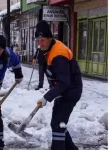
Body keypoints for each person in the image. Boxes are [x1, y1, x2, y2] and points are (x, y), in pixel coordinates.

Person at [35, 20, 82, 150]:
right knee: (56, 123)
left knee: (58, 124)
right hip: (61, 90)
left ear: (50, 38)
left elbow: (64, 82)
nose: (40, 43)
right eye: (38, 40)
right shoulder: (46, 49)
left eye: (42, 40)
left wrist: (47, 97)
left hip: (71, 90)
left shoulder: (59, 54)